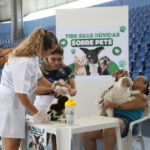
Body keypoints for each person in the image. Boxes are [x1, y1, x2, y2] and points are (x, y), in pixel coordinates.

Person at [0, 27, 64, 150]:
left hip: (15, 100)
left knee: (13, 143)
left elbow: (38, 77)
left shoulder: (32, 56)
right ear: (42, 47)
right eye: (50, 51)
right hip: (10, 101)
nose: (49, 54)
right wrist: (37, 113)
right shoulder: (24, 61)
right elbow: (20, 93)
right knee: (12, 145)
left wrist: (54, 86)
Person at [82, 76, 149, 150]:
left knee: (112, 124)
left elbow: (128, 106)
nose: (134, 80)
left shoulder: (142, 97)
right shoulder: (124, 92)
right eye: (135, 79)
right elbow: (106, 103)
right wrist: (106, 95)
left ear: (145, 85)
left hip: (128, 123)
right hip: (111, 118)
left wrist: (110, 104)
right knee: (87, 133)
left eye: (138, 80)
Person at [34, 44, 77, 150]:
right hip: (42, 106)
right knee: (40, 142)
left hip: (60, 107)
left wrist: (69, 89)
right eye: (53, 59)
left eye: (59, 59)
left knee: (59, 141)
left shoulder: (66, 69)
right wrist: (54, 88)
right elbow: (33, 89)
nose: (57, 62)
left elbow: (74, 91)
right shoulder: (39, 68)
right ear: (46, 56)